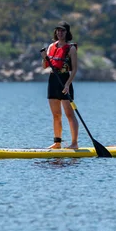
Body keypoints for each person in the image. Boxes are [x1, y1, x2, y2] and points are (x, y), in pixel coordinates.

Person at [41, 21, 79, 149]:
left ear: (67, 33)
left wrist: (68, 84)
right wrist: (44, 58)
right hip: (53, 80)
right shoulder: (52, 46)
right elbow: (45, 66)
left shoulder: (71, 48)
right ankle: (57, 143)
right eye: (58, 30)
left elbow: (74, 70)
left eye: (63, 31)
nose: (60, 33)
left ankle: (74, 143)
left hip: (64, 80)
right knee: (56, 115)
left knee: (69, 114)